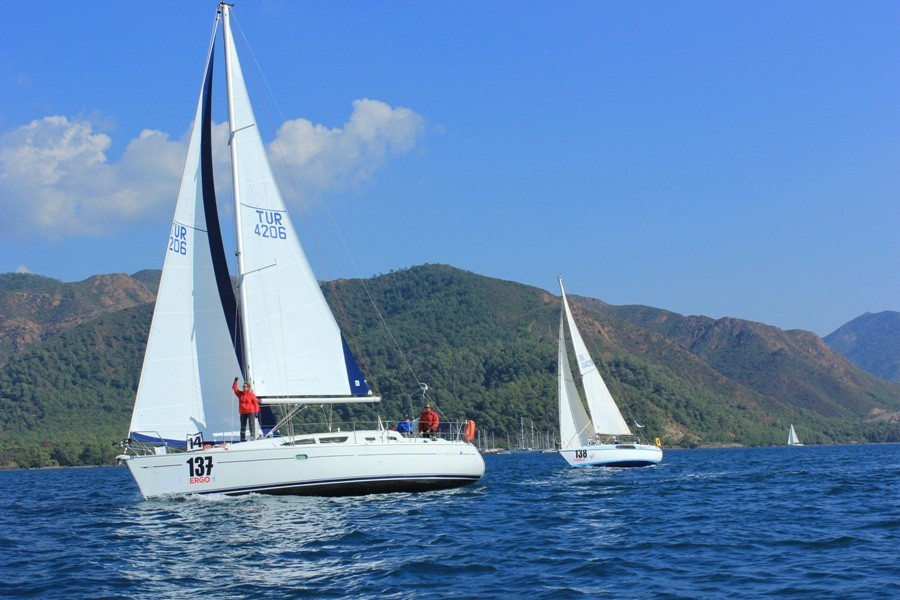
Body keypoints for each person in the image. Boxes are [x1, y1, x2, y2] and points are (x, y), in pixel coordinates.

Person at [233, 377, 260, 442]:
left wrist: (256, 412)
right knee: (243, 426)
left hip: (251, 411)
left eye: (245, 386)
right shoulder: (240, 394)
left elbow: (255, 403)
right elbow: (235, 390)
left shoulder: (251, 395)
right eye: (243, 386)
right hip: (243, 412)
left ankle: (252, 437)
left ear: (248, 387)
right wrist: (235, 381)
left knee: (251, 424)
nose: (243, 387)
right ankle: (242, 439)